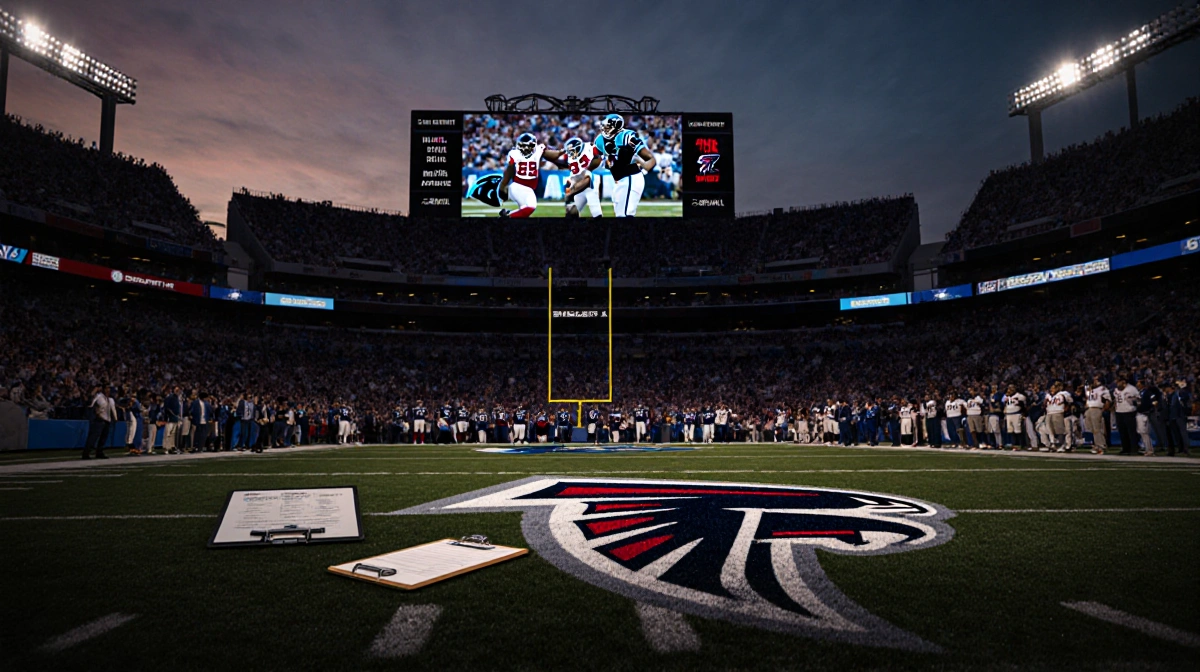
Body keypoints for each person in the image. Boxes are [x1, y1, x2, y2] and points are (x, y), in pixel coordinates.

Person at [82, 384, 112, 460]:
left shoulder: (107, 398)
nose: (108, 390)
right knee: (93, 437)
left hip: (106, 420)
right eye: (107, 388)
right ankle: (86, 453)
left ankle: (99, 452)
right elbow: (90, 404)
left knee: (103, 438)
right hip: (98, 420)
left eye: (109, 388)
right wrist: (96, 413)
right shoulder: (98, 396)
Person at [1112, 375, 1140, 455]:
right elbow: (1115, 400)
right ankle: (1125, 448)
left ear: (1123, 382)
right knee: (1122, 431)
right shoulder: (1116, 390)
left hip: (1129, 412)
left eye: (1118, 382)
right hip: (1119, 412)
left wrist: (1133, 402)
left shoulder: (1132, 389)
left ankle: (1134, 448)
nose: (1117, 383)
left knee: (1131, 432)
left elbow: (1138, 400)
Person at [1084, 377, 1112, 454]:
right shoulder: (1091, 389)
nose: (1094, 381)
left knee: (1097, 429)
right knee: (1092, 429)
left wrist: (1103, 409)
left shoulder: (1102, 389)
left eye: (1096, 380)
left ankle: (1101, 445)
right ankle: (1097, 445)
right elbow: (1088, 399)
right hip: (1090, 409)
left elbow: (1107, 400)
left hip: (1097, 408)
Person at [1165, 381, 1192, 456]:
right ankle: (1181, 448)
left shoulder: (1179, 393)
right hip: (1173, 416)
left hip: (1180, 416)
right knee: (1177, 434)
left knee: (1183, 433)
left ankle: (1186, 449)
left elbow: (1183, 403)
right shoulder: (1170, 395)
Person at [1003, 385, 1026, 451]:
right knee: (1010, 430)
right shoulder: (1007, 396)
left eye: (1012, 388)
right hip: (1008, 414)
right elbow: (1004, 404)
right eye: (1009, 388)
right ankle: (1014, 444)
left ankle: (1020, 444)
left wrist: (1023, 413)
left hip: (1016, 414)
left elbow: (1023, 404)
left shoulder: (1019, 396)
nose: (1010, 389)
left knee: (1018, 430)